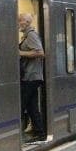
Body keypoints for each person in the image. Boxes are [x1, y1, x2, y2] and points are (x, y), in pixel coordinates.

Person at [18, 12, 48, 143]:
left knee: (22, 104)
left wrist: (20, 53)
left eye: (20, 21)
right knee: (32, 106)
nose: (19, 23)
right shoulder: (27, 35)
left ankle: (21, 132)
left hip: (32, 76)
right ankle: (39, 133)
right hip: (31, 76)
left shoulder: (31, 35)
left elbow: (40, 52)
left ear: (26, 22)